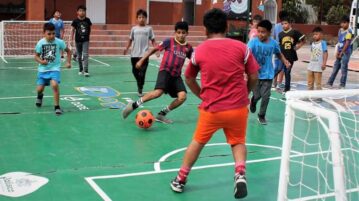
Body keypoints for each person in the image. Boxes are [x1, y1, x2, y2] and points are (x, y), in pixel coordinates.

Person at [170, 9, 259, 199]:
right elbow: (253, 75)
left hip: (212, 109)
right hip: (237, 108)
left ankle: (180, 179)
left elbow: (189, 78)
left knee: (198, 142)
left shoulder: (199, 51)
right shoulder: (242, 47)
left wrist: (202, 95)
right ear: (227, 27)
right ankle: (240, 174)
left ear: (205, 30)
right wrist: (247, 92)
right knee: (238, 142)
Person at [122, 21, 193, 124]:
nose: (181, 35)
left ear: (187, 33)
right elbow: (154, 50)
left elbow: (195, 61)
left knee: (182, 97)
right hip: (165, 71)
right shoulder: (169, 41)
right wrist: (142, 60)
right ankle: (134, 105)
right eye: (179, 32)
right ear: (175, 33)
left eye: (183, 32)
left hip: (176, 75)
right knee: (157, 93)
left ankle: (161, 115)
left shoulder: (188, 48)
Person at [248, 20, 291, 125]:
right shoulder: (254, 42)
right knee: (257, 95)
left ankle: (261, 115)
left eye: (263, 32)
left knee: (266, 96)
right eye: (258, 31)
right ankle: (253, 101)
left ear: (269, 33)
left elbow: (279, 54)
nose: (260, 34)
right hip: (255, 75)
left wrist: (285, 61)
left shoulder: (273, 43)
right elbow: (246, 53)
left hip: (268, 74)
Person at [35, 23, 71, 115]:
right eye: (49, 34)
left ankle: (57, 106)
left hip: (55, 69)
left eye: (53, 33)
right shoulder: (40, 43)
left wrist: (68, 62)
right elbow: (36, 56)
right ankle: (40, 96)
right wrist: (41, 61)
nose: (52, 36)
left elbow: (68, 51)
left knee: (54, 85)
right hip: (43, 70)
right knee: (39, 89)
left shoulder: (59, 42)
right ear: (44, 33)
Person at [124, 9, 157, 97]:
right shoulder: (134, 29)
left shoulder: (149, 29)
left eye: (143, 17)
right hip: (134, 54)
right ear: (137, 19)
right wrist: (126, 48)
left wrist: (156, 50)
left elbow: (153, 40)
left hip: (144, 55)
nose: (141, 19)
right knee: (134, 71)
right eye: (139, 17)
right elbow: (130, 40)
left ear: (146, 18)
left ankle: (140, 88)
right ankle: (140, 83)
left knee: (142, 73)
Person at [278, 17, 305, 93]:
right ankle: (272, 84)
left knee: (287, 72)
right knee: (278, 69)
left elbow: (303, 40)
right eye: (282, 24)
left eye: (285, 23)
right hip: (282, 56)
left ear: (289, 24)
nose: (284, 25)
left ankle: (287, 89)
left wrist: (298, 46)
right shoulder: (280, 34)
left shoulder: (294, 32)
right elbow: (280, 45)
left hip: (291, 56)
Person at [326, 15, 352, 89]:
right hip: (340, 51)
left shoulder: (349, 32)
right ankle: (330, 82)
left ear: (348, 23)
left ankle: (342, 84)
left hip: (345, 52)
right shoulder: (340, 30)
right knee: (336, 67)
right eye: (341, 23)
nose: (342, 24)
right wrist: (337, 51)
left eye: (344, 23)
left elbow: (347, 43)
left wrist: (342, 52)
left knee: (343, 68)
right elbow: (339, 41)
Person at [71, 5, 92, 77]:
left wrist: (88, 37)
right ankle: (80, 69)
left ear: (85, 12)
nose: (82, 12)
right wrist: (71, 39)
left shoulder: (88, 20)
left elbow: (90, 29)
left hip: (86, 40)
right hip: (78, 40)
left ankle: (86, 70)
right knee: (79, 56)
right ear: (77, 12)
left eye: (83, 11)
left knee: (85, 55)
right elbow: (72, 30)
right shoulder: (75, 21)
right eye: (80, 10)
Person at [307, 27, 328, 91]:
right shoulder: (312, 43)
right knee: (310, 82)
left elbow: (325, 53)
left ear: (321, 35)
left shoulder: (323, 43)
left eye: (316, 34)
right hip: (311, 66)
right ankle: (309, 95)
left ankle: (318, 97)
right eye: (313, 34)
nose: (314, 36)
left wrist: (324, 63)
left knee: (318, 83)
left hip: (318, 66)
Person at [272, 11, 289, 89]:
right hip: (284, 48)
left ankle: (273, 82)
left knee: (276, 66)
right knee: (282, 67)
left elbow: (274, 37)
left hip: (277, 47)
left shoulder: (276, 26)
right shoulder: (287, 26)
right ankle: (279, 83)